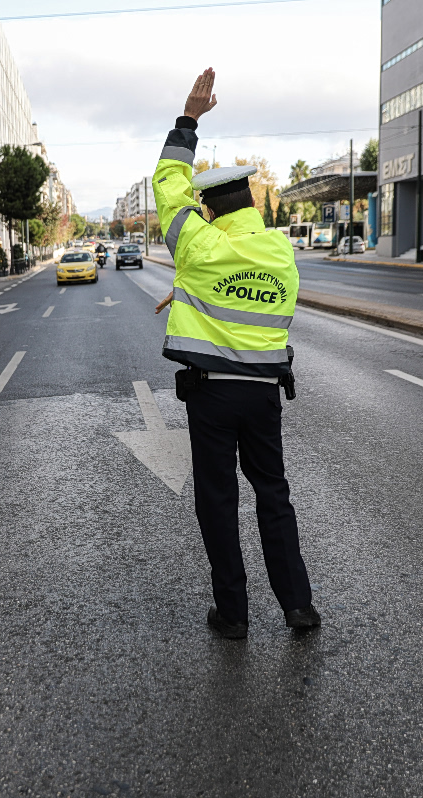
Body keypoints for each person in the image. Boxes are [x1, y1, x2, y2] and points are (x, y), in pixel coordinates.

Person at [154, 68, 320, 639]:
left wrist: (188, 120)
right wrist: (187, 288)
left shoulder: (198, 246)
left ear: (209, 210)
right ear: (250, 202)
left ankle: (233, 614)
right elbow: (249, 294)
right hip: (265, 395)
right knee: (274, 496)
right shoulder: (279, 251)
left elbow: (167, 184)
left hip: (212, 396)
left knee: (219, 502)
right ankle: (298, 606)